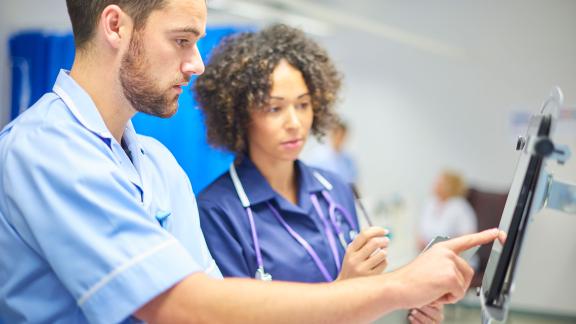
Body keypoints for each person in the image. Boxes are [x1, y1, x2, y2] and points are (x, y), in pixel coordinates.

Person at [0, 1, 501, 323]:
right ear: (115, 25)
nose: (196, 63)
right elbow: (185, 307)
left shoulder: (155, 163)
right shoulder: (47, 151)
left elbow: (225, 306)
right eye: (181, 40)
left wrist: (380, 294)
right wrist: (395, 286)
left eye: (303, 105)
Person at [195, 25, 388, 284]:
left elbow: (365, 294)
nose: (295, 122)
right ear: (239, 116)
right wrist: (343, 290)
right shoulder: (218, 211)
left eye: (303, 104)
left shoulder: (335, 189)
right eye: (275, 108)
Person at [419, 170, 478, 251]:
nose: (435, 185)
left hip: (453, 256)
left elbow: (468, 237)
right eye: (436, 182)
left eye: (440, 183)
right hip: (430, 254)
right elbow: (421, 233)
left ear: (451, 186)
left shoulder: (460, 206)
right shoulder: (430, 203)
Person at [309, 119, 359, 185]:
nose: (340, 139)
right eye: (338, 135)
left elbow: (352, 180)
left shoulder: (348, 159)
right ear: (332, 135)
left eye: (342, 136)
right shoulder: (319, 157)